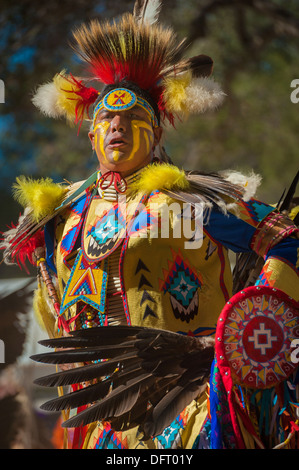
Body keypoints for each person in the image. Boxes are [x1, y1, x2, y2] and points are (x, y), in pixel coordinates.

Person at [1, 1, 299, 450]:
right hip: (102, 421)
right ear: (91, 133)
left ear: (157, 133)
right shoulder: (59, 217)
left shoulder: (190, 200)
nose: (117, 126)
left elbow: (287, 239)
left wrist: (249, 325)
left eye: (133, 118)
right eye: (106, 118)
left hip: (193, 405)